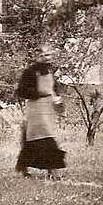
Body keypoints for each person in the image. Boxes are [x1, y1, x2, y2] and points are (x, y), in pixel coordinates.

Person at [15, 45, 67, 179]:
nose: (46, 58)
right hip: (36, 108)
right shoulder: (30, 72)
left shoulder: (51, 71)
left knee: (38, 139)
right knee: (45, 138)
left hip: (48, 108)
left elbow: (54, 88)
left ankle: (24, 166)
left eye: (48, 55)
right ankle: (53, 170)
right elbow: (21, 91)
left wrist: (57, 98)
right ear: (37, 57)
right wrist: (38, 92)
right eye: (43, 55)